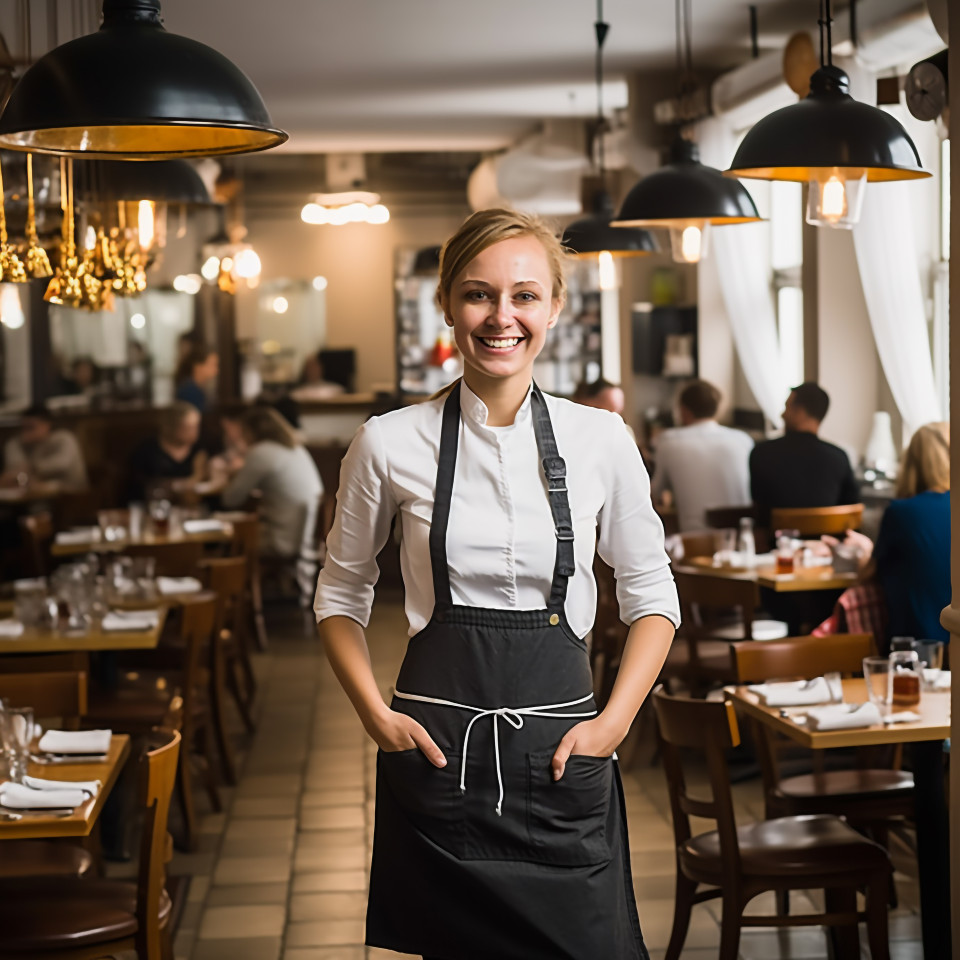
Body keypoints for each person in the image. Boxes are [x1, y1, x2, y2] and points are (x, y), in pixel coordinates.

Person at [315, 208, 678, 960]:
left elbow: (652, 595)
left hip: (563, 749)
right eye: (479, 295)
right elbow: (339, 596)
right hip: (439, 753)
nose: (501, 317)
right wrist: (376, 716)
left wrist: (612, 726)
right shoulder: (387, 441)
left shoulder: (601, 438)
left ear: (553, 306)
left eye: (524, 295)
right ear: (447, 304)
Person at [825, 422, 950, 654]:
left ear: (910, 464)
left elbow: (869, 574)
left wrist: (864, 550)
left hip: (917, 645)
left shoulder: (902, 512)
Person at [651, 379, 754, 531]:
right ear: (718, 408)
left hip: (695, 542)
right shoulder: (743, 440)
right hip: (742, 536)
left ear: (683, 410)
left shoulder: (668, 441)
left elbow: (654, 493)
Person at [221, 406, 322, 558]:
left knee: (232, 539)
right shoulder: (296, 448)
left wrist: (231, 474)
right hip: (307, 537)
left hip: (283, 539)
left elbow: (230, 499)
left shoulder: (260, 452)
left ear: (249, 432)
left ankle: (233, 581)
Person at [750, 381, 860, 521]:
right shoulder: (839, 457)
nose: (782, 415)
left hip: (775, 541)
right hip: (825, 540)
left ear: (800, 412)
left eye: (787, 408)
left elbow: (759, 509)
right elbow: (851, 511)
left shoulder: (761, 453)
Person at [127, 401, 205, 501]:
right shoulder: (147, 450)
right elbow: (138, 486)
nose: (194, 432)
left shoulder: (201, 449)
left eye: (196, 426)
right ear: (172, 426)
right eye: (188, 427)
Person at [1, 405, 87, 488]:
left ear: (46, 425)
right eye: (24, 428)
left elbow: (61, 464)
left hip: (72, 496)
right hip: (37, 496)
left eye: (31, 427)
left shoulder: (64, 438)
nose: (26, 432)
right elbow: (13, 471)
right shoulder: (22, 443)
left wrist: (31, 468)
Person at [174, 344, 219, 413]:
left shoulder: (197, 387)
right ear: (197, 366)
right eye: (212, 365)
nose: (216, 370)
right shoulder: (189, 391)